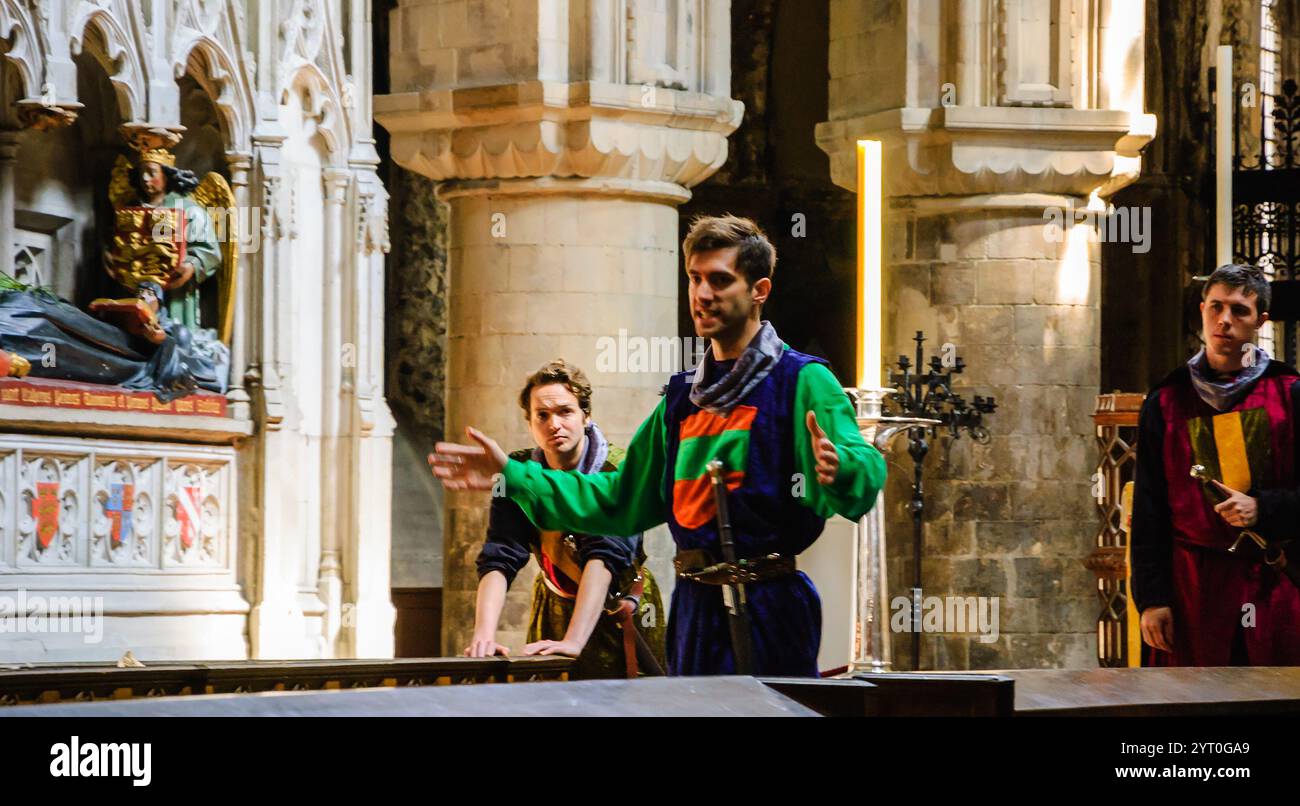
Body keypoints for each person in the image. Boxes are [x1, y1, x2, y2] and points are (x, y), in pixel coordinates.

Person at [432, 215, 886, 676]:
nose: (702, 293)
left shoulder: (803, 380)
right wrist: (512, 472)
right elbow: (617, 498)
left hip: (769, 606)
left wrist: (842, 467)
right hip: (695, 610)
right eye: (695, 278)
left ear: (759, 290)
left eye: (720, 280)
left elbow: (861, 464)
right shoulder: (680, 400)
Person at [1131, 263, 1300, 665]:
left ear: (1260, 320)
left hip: (1272, 583)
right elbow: (1149, 509)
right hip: (1192, 590)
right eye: (1215, 307)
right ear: (1202, 310)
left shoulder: (1290, 394)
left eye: (1239, 310)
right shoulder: (1166, 401)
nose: (1224, 320)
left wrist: (1264, 508)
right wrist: (1152, 599)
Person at [465, 359, 667, 679]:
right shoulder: (518, 469)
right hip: (553, 605)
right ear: (530, 423)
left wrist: (574, 640)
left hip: (621, 611)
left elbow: (605, 556)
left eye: (565, 412)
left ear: (586, 416)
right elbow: (501, 552)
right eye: (541, 415)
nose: (553, 424)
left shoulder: (616, 468)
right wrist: (483, 635)